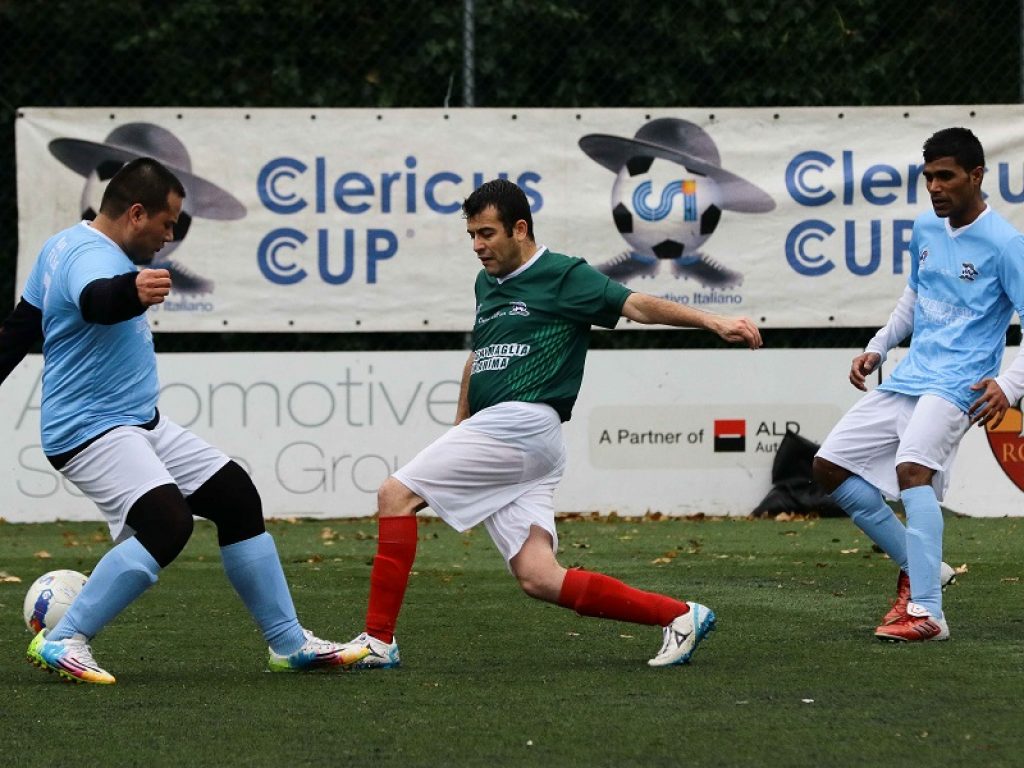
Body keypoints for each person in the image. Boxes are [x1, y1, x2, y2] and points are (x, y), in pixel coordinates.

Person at [338, 178, 762, 670]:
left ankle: (378, 640)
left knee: (395, 494)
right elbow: (482, 355)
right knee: (539, 577)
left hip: (521, 424)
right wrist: (460, 424)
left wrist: (713, 322)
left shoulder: (564, 274)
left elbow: (637, 305)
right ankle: (680, 615)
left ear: (520, 228)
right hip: (520, 439)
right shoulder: (486, 283)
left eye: (487, 234)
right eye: (472, 235)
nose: (477, 246)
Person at [1, 157, 365, 684]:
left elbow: (18, 329)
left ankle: (289, 644)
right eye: (167, 224)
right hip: (89, 428)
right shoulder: (87, 255)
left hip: (135, 422)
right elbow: (96, 301)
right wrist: (131, 293)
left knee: (236, 497)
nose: (170, 236)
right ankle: (62, 638)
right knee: (167, 522)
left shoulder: (59, 245)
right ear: (135, 213)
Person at [812, 127, 1024, 643]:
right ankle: (924, 564)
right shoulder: (928, 230)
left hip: (961, 384)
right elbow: (913, 296)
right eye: (928, 177)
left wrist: (1010, 385)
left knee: (913, 470)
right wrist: (878, 346)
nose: (934, 187)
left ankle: (928, 611)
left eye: (945, 176)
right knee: (828, 466)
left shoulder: (1006, 244)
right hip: (911, 375)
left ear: (976, 176)